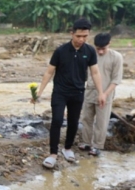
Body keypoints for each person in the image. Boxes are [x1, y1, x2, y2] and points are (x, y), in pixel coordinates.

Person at [34, 18, 106, 168]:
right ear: (71, 33)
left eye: (85, 36)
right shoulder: (61, 51)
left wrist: (101, 93)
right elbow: (49, 72)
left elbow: (95, 72)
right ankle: (53, 153)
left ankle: (67, 148)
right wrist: (39, 93)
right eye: (78, 36)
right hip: (60, 92)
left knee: (73, 122)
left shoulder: (90, 51)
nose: (81, 39)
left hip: (78, 92)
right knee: (57, 120)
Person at [79, 33, 123, 156]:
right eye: (98, 48)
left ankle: (97, 145)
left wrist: (104, 94)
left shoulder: (116, 57)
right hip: (90, 91)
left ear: (109, 44)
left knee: (101, 121)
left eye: (103, 48)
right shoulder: (90, 54)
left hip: (106, 93)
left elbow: (116, 79)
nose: (101, 51)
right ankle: (86, 142)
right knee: (86, 118)